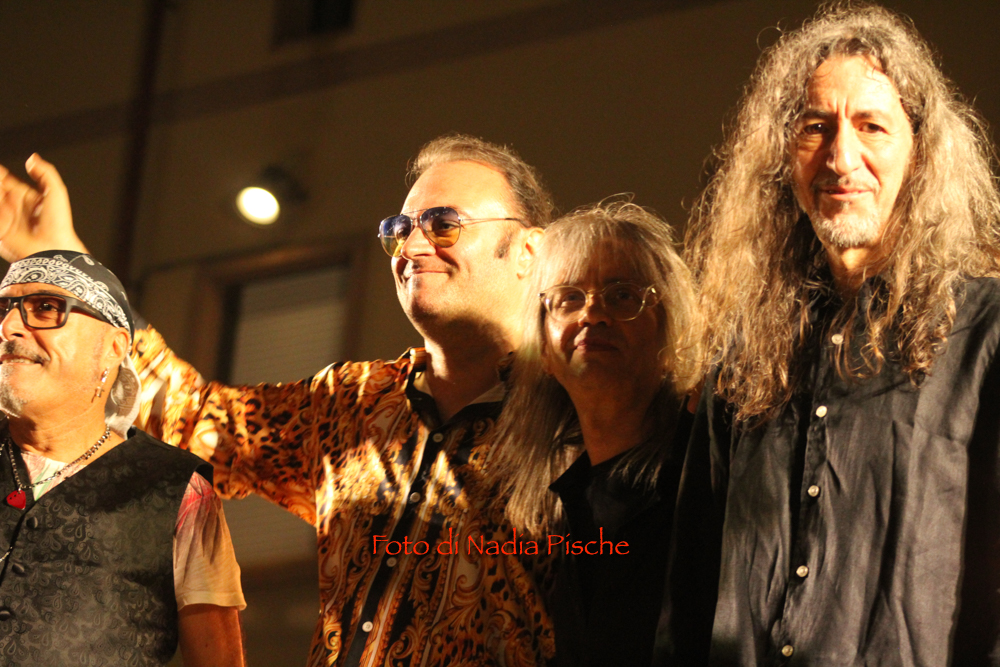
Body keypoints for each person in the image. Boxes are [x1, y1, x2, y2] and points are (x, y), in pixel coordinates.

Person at [0, 135, 557, 666]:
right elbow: (199, 421)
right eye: (399, 229)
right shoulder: (356, 404)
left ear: (528, 250)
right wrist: (60, 265)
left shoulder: (576, 420)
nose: (410, 248)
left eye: (444, 225)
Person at [681, 3, 1000, 664]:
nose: (840, 157)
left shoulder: (987, 331)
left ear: (920, 153)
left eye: (872, 126)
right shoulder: (742, 353)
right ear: (784, 155)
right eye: (814, 127)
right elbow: (689, 586)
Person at [0, 250, 245, 666]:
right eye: (3, 309)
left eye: (45, 308)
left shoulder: (176, 490)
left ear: (113, 348)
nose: (8, 326)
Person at [492, 200, 699, 666]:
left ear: (671, 332)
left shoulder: (707, 469)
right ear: (544, 351)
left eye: (622, 295)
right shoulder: (558, 509)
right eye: (568, 298)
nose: (592, 315)